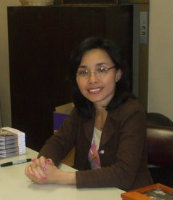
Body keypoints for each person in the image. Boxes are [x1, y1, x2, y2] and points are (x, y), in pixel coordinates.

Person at [25, 37, 153, 191]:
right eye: (84, 72)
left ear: (118, 74)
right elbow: (58, 142)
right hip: (92, 197)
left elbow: (123, 175)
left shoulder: (132, 112)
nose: (92, 79)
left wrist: (60, 176)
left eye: (101, 69)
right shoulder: (83, 109)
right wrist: (42, 164)